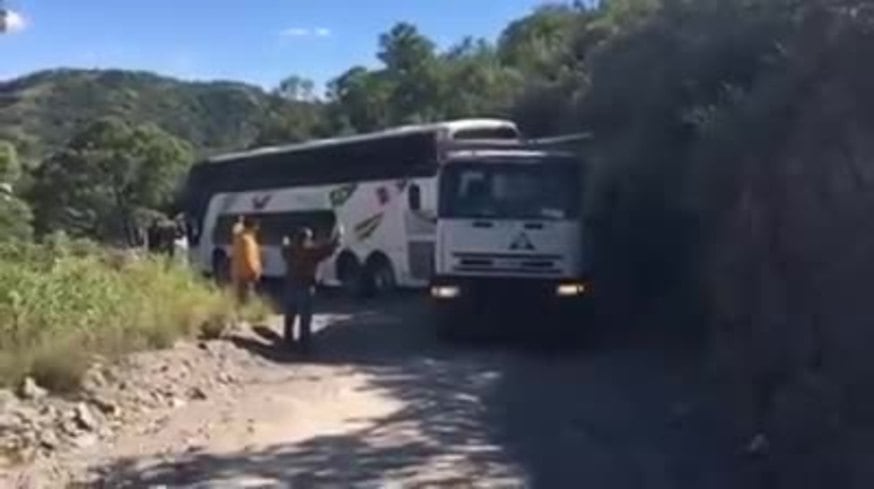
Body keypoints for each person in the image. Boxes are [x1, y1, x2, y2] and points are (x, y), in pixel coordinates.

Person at [281, 224, 342, 352]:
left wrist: (285, 240)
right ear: (306, 240)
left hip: (290, 287)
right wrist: (338, 236)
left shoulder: (290, 251)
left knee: (289, 317)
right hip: (305, 287)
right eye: (309, 239)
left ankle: (287, 342)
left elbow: (284, 247)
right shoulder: (310, 253)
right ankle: (304, 346)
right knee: (305, 319)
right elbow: (329, 249)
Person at [230, 215, 262, 304]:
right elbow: (249, 257)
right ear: (252, 226)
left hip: (239, 272)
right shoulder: (247, 239)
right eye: (256, 225)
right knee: (247, 298)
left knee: (241, 297)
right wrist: (254, 271)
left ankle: (241, 314)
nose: (258, 228)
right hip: (247, 274)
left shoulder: (241, 237)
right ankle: (246, 314)